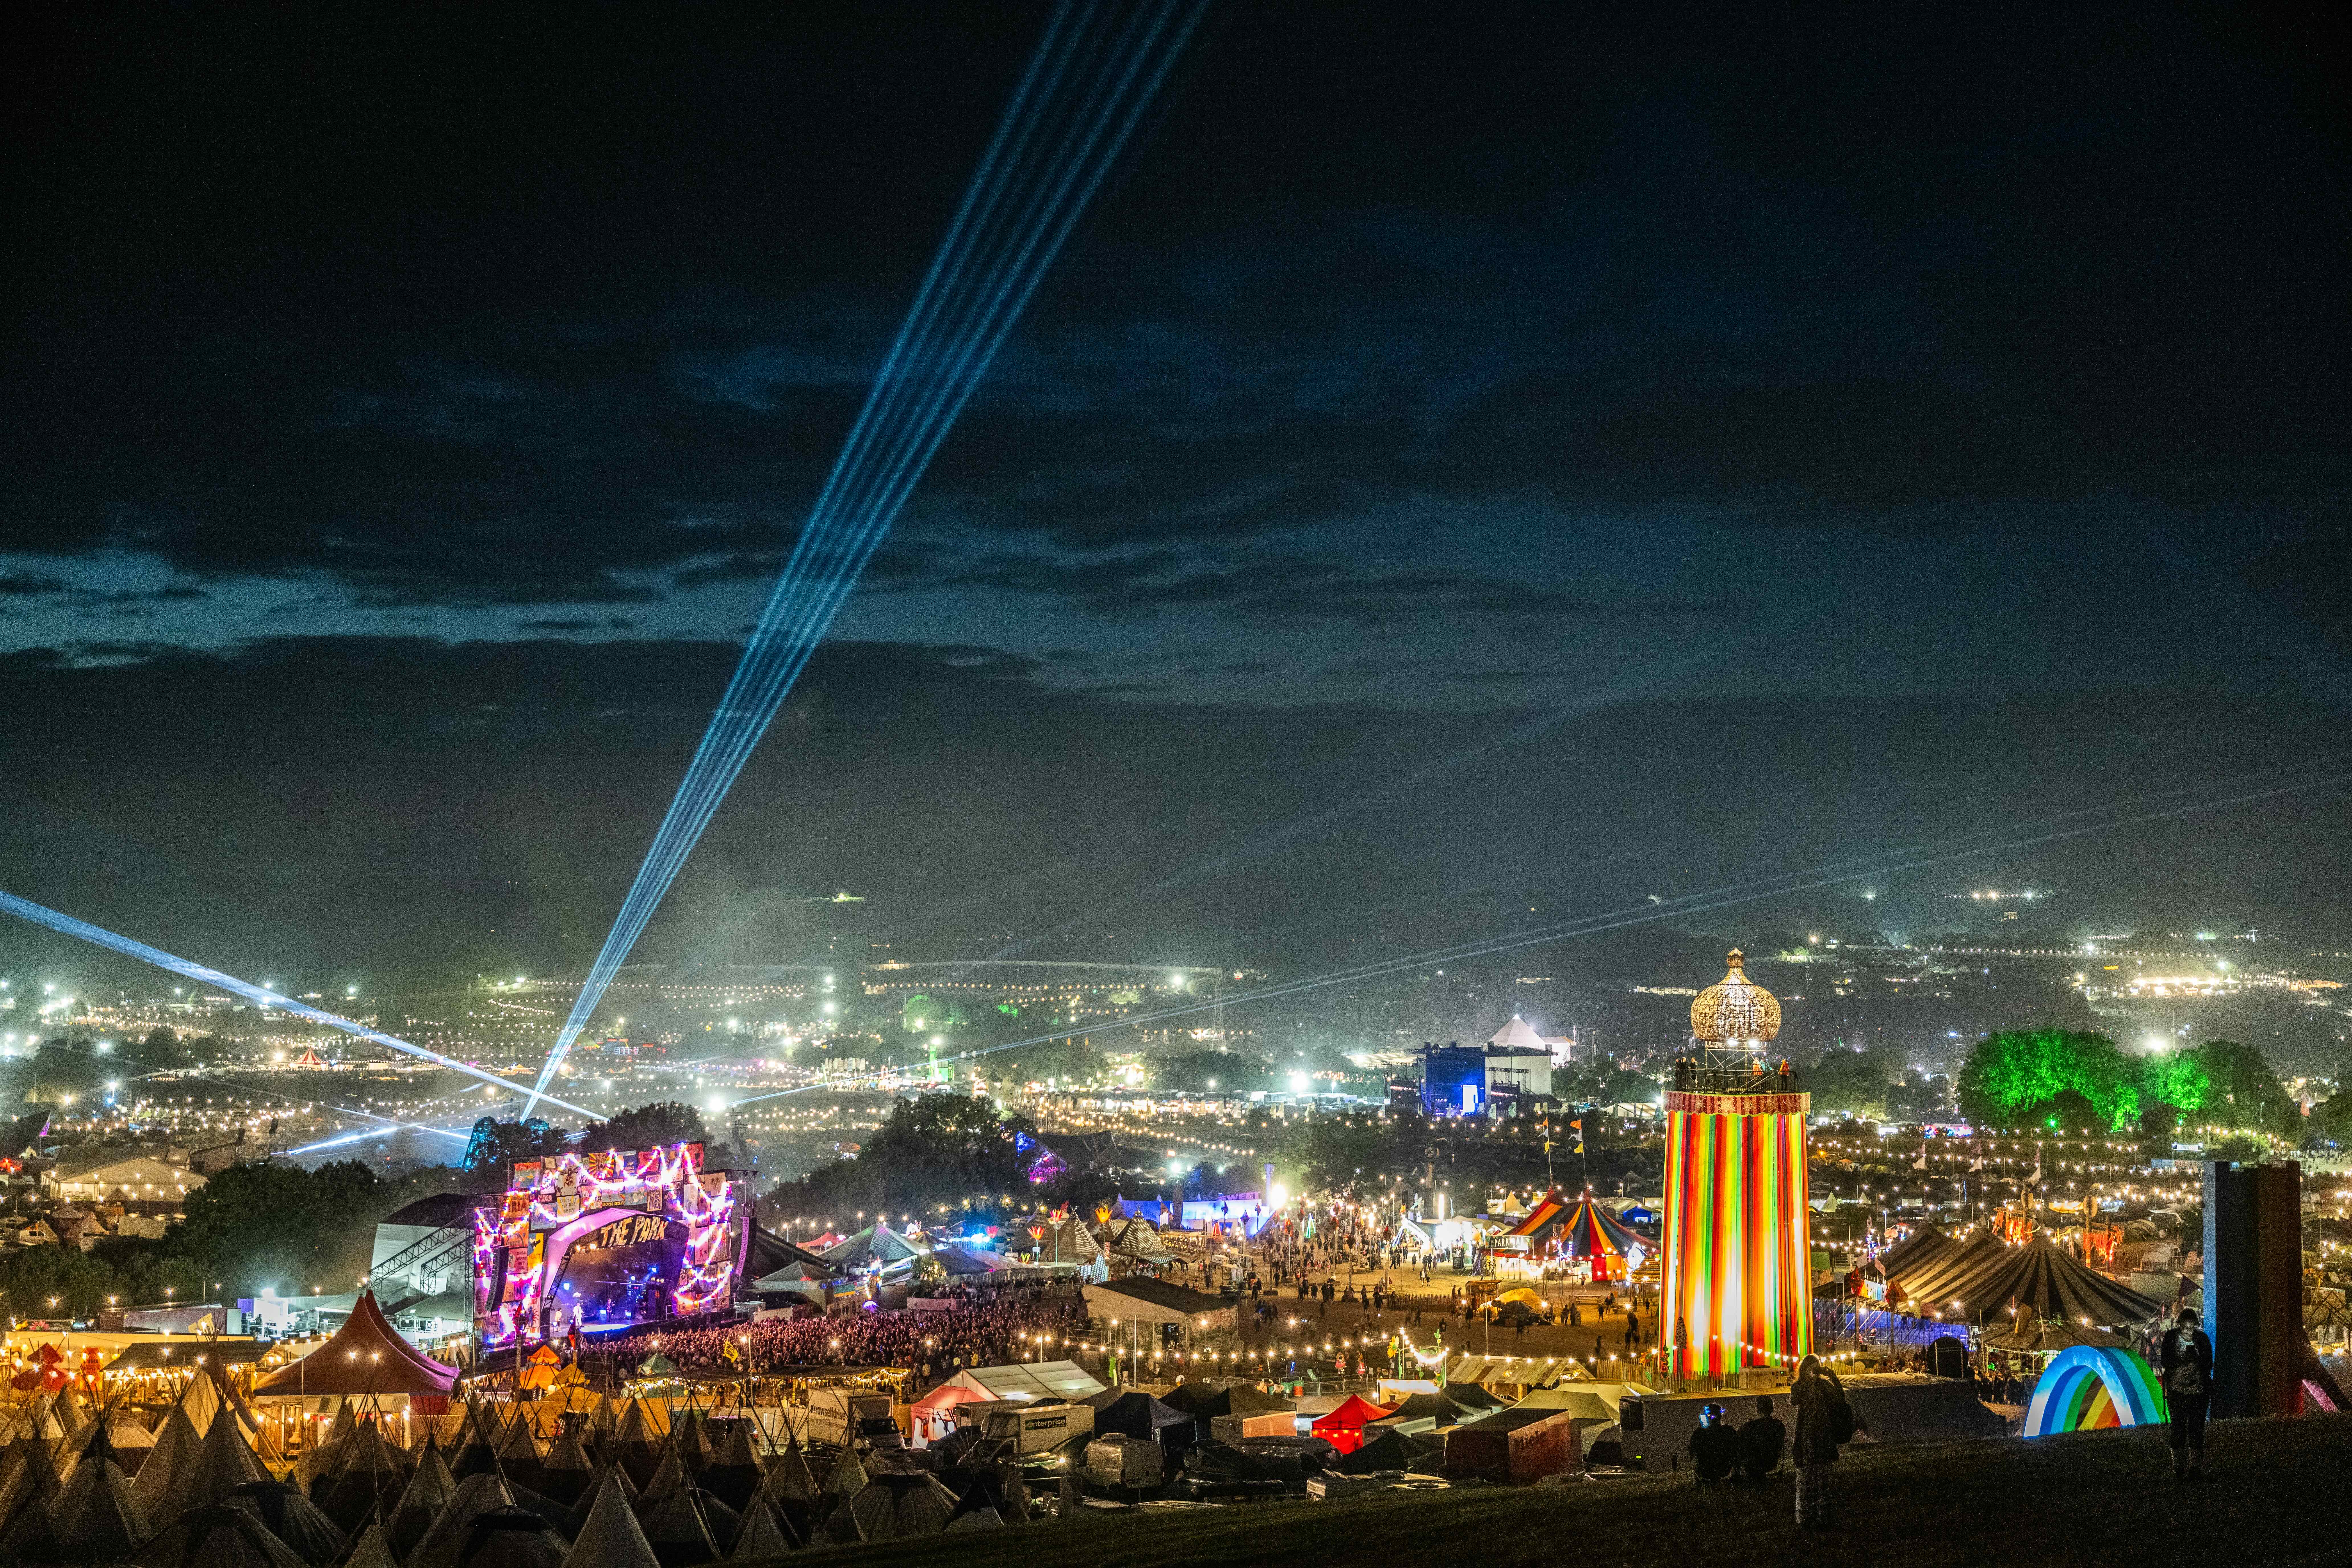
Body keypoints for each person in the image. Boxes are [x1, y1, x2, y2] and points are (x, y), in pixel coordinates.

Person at [1791, 1354, 1853, 1530]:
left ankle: (1822, 1517)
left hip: (1823, 1436)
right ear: (1804, 1369)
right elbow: (1794, 1399)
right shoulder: (1799, 1386)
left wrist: (1832, 1377)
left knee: (1823, 1479)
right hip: (1806, 1437)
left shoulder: (1824, 1386)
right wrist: (1809, 1382)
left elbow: (1840, 1398)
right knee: (1805, 1479)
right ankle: (1805, 1518)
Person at [2159, 1306, 2214, 1483]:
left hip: (2198, 1392)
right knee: (2178, 1429)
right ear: (2180, 1326)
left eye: (2191, 1328)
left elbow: (2209, 1363)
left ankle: (2195, 1469)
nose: (2188, 1332)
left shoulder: (2202, 1339)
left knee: (2196, 1430)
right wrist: (2180, 1359)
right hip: (2177, 1391)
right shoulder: (2171, 1338)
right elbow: (2165, 1361)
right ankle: (2179, 1469)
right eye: (2185, 1328)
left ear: (2196, 1327)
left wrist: (2196, 1357)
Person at [1686, 1402, 1742, 1489]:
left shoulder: (1699, 1434)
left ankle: (1698, 1486)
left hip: (1705, 1471)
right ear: (1721, 1416)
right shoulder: (1729, 1431)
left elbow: (1691, 1450)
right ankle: (1736, 1479)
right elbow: (1738, 1447)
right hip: (1725, 1469)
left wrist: (1701, 1429)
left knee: (1694, 1457)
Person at [1738, 1396, 1787, 1487]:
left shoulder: (1750, 1426)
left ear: (1757, 1409)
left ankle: (1737, 1479)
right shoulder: (1779, 1425)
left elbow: (1741, 1444)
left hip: (1753, 1463)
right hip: (1772, 1461)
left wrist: (1744, 1426)